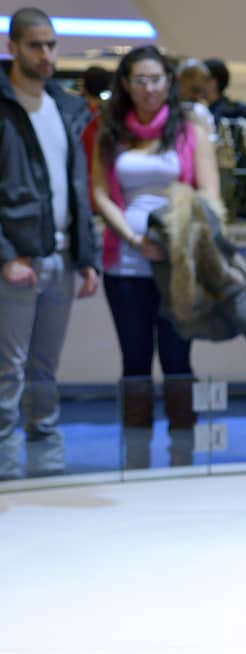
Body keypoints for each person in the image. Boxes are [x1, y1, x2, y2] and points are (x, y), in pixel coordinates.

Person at [89, 46, 222, 467]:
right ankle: (136, 457)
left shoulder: (190, 129)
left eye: (157, 79)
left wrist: (175, 237)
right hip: (124, 261)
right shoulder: (110, 128)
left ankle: (183, 456)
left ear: (169, 82)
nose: (149, 89)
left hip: (177, 261)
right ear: (126, 84)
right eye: (140, 80)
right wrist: (131, 237)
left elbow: (209, 193)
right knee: (134, 357)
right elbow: (97, 191)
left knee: (178, 355)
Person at [1, 7, 100, 480]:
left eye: (51, 45)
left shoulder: (65, 107)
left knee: (44, 370)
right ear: (12, 47)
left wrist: (86, 257)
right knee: (8, 372)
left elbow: (78, 187)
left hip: (61, 257)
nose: (45, 55)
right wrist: (6, 256)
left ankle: (45, 469)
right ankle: (5, 472)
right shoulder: (4, 106)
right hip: (17, 259)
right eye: (35, 45)